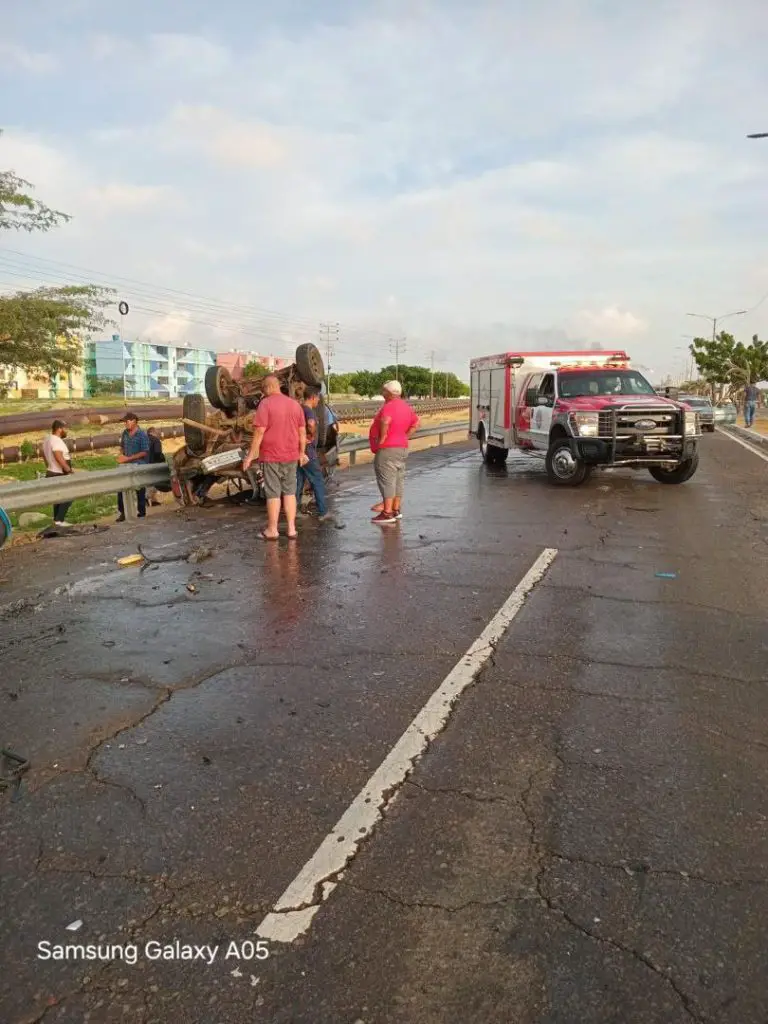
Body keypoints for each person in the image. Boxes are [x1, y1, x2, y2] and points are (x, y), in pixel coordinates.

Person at [242, 375, 307, 540]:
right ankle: (292, 529)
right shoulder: (295, 404)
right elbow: (302, 432)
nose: (263, 393)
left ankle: (272, 530)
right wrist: (301, 452)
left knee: (273, 493)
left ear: (268, 387)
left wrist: (250, 456)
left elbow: (259, 432)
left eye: (263, 390)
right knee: (290, 492)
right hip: (291, 455)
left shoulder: (265, 404)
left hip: (271, 456)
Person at [368, 380, 420, 526]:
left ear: (389, 393)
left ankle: (387, 513)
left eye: (384, 391)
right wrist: (405, 435)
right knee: (398, 479)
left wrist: (383, 437)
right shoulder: (406, 407)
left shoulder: (389, 406)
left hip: (388, 449)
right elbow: (416, 423)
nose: (382, 393)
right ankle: (396, 510)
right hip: (402, 448)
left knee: (387, 480)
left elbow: (386, 420)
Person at [296, 387, 331, 522]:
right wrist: (311, 434)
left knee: (299, 480)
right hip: (308, 451)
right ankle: (323, 511)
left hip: (299, 450)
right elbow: (310, 424)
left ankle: (296, 510)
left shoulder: (299, 408)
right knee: (317, 479)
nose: (318, 401)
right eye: (317, 398)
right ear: (313, 397)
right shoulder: (308, 410)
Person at [116, 412, 150, 522]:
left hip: (138, 464)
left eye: (127, 421)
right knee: (121, 489)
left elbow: (144, 452)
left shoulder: (142, 434)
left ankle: (141, 512)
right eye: (125, 422)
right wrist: (121, 455)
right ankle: (123, 512)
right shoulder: (125, 433)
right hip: (126, 465)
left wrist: (128, 458)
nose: (125, 424)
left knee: (139, 489)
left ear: (134, 421)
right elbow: (122, 447)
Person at [42, 419, 74, 526]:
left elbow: (45, 456)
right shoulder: (56, 440)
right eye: (65, 429)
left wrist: (49, 466)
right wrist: (68, 469)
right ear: (59, 429)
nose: (66, 431)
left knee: (58, 498)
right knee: (69, 496)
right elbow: (58, 456)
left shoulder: (47, 439)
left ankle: (57, 522)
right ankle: (59, 520)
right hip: (59, 473)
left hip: (51, 471)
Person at [146, 427, 165, 506]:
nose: (157, 434)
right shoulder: (156, 440)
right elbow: (158, 453)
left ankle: (153, 500)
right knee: (155, 482)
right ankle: (148, 498)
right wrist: (162, 462)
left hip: (142, 465)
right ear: (153, 432)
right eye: (156, 433)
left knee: (147, 483)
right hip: (153, 464)